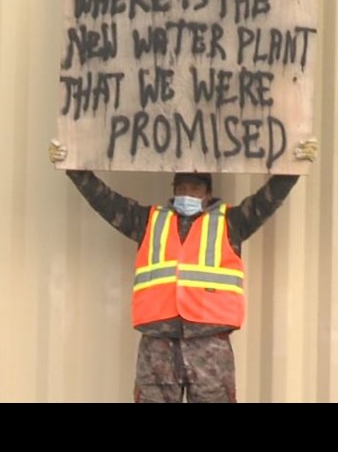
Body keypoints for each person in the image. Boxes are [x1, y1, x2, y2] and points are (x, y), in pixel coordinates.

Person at [47, 137, 318, 403]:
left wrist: (292, 167)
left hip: (209, 343)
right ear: (173, 190)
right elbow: (105, 201)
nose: (187, 194)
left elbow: (266, 201)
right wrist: (74, 167)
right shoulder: (147, 221)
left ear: (207, 193)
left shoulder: (231, 223)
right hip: (157, 342)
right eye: (181, 187)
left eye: (195, 189)